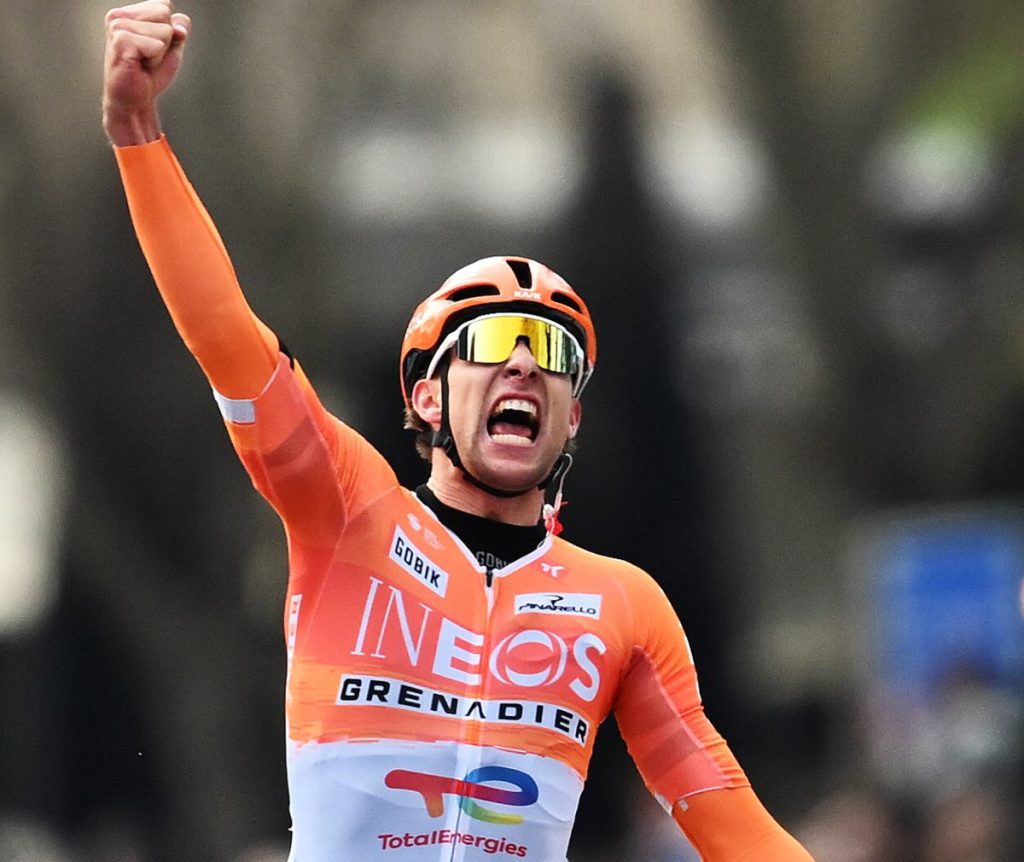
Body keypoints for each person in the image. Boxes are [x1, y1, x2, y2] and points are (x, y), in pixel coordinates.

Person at [102, 3, 815, 860]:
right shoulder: (347, 511)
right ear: (428, 399)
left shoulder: (623, 606)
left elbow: (733, 823)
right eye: (490, 343)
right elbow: (226, 337)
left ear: (572, 417)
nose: (523, 365)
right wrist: (137, 133)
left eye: (552, 353)